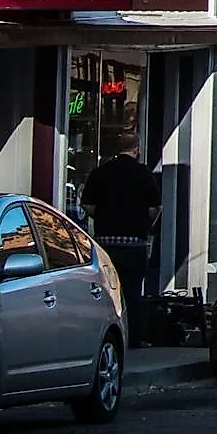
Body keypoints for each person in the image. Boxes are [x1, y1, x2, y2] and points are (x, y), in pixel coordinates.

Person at [80, 133, 161, 331]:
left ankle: (106, 332)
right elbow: (155, 208)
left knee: (107, 291)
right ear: (137, 150)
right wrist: (144, 224)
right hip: (135, 243)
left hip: (106, 243)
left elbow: (87, 204)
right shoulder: (143, 174)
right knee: (132, 292)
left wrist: (103, 218)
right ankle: (132, 334)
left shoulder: (101, 172)